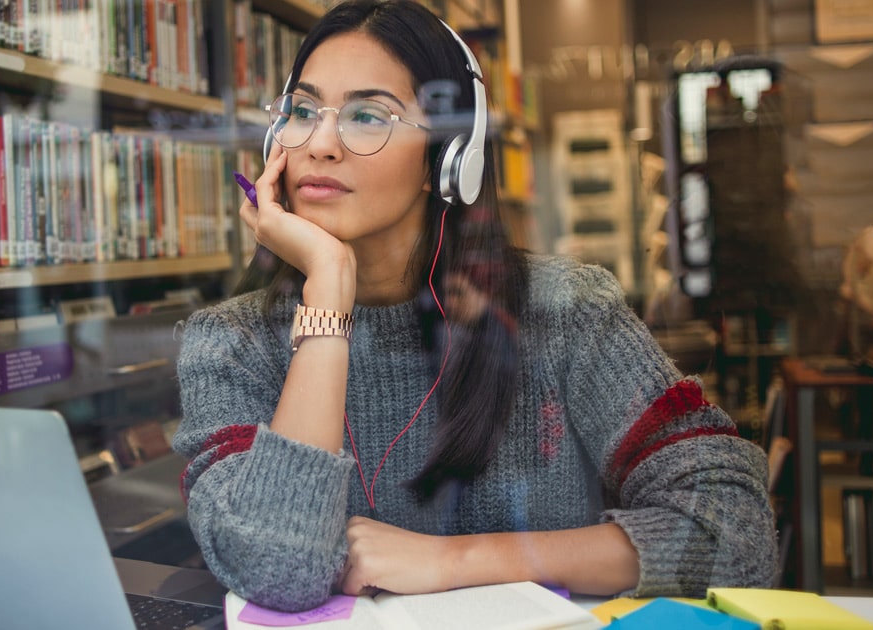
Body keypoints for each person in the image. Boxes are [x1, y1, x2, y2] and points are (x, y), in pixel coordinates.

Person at [174, 0, 777, 613]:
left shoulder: (565, 313)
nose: (320, 143)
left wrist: (451, 560)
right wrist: (328, 285)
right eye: (303, 111)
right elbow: (277, 570)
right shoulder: (229, 344)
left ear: (448, 156)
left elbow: (736, 532)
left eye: (366, 116)